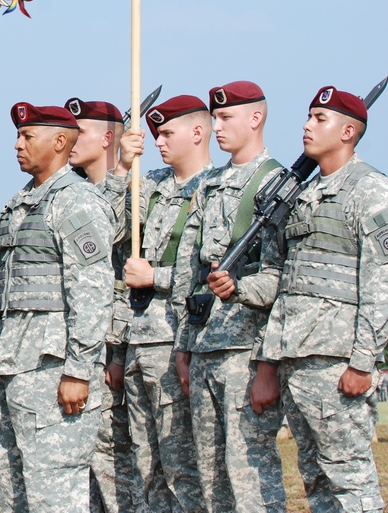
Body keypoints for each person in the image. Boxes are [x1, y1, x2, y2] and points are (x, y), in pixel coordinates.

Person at [261, 86, 387, 512]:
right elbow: (290, 283)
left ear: (348, 131)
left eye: (319, 118)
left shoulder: (369, 191)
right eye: (309, 116)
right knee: (314, 479)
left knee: (350, 480)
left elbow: (380, 284)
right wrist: (273, 359)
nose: (306, 125)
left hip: (337, 362)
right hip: (298, 358)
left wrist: (363, 362)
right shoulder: (302, 195)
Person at [0, 101, 115, 513]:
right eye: (18, 136)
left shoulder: (75, 202)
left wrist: (79, 369)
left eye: (28, 136)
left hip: (53, 369)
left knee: (56, 493)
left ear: (60, 141)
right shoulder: (22, 203)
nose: (17, 145)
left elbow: (93, 291)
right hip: (14, 365)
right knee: (16, 491)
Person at [172, 81, 286, 513]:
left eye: (226, 118)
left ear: (255, 118)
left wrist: (268, 363)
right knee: (210, 480)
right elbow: (190, 274)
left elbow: (282, 279)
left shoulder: (276, 183)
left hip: (246, 350)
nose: (216, 126)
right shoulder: (209, 184)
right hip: (204, 346)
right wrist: (184, 345)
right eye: (214, 117)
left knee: (251, 479)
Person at [115, 95, 212, 513]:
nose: (158, 142)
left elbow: (214, 275)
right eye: (155, 134)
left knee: (181, 468)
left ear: (197, 131)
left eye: (167, 132)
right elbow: (109, 226)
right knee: (145, 466)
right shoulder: (149, 184)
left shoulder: (216, 189)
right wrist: (121, 167)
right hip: (139, 339)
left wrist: (157, 277)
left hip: (178, 342)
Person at [63, 97, 142, 513]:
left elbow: (107, 231)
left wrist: (124, 170)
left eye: (81, 130)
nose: (70, 138)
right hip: (78, 342)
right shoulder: (70, 190)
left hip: (117, 341)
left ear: (108, 137)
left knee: (116, 460)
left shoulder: (136, 190)